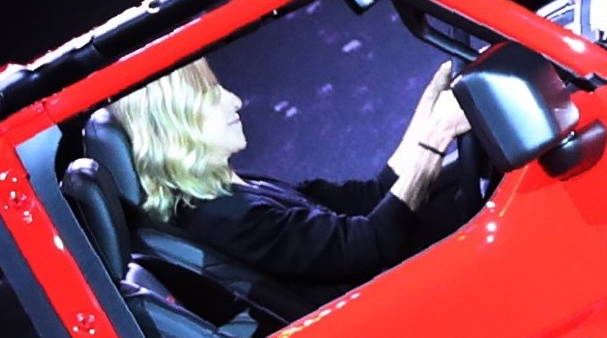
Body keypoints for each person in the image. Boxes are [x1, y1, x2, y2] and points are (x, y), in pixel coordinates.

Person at [108, 53, 481, 307]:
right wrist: (439, 133)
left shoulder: (230, 189)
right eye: (210, 94)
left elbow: (365, 200)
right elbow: (372, 243)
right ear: (176, 123)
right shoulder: (225, 217)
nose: (234, 100)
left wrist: (427, 120)